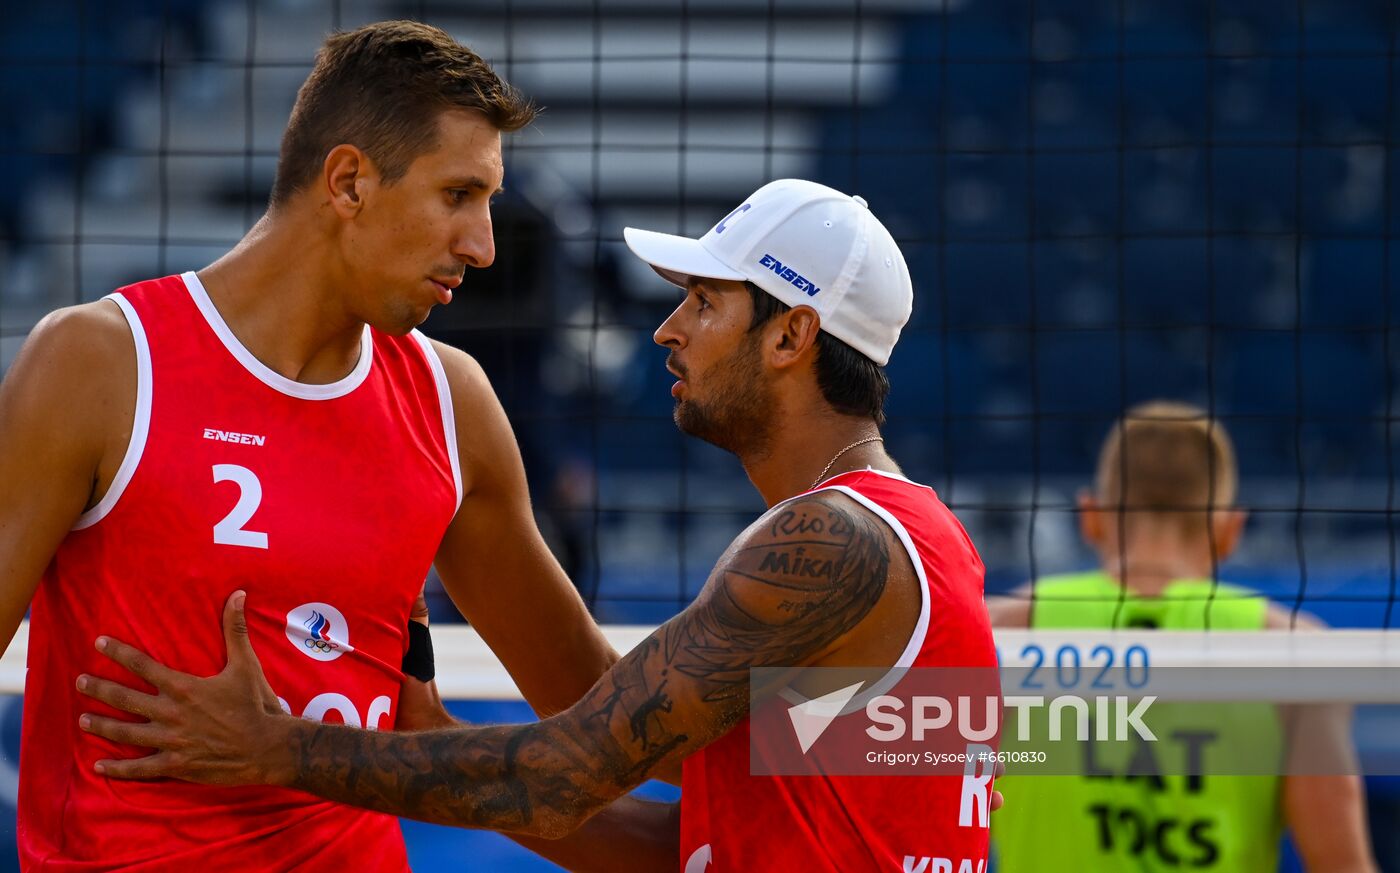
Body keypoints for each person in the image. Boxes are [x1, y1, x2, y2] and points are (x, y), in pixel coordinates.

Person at [76, 179, 1003, 872]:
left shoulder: (833, 546)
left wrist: (281, 748)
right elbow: (683, 842)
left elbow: (565, 770)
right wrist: (428, 731)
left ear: (792, 337)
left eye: (705, 300)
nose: (668, 329)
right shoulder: (918, 534)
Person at [0, 21, 617, 871]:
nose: (483, 245)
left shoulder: (451, 401)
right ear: (350, 181)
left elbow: (611, 713)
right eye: (457, 196)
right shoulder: (102, 363)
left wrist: (841, 722)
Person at [986, 400, 1377, 872]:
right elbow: (1340, 863)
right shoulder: (1296, 650)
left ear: (1090, 517)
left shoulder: (1000, 632)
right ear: (1231, 530)